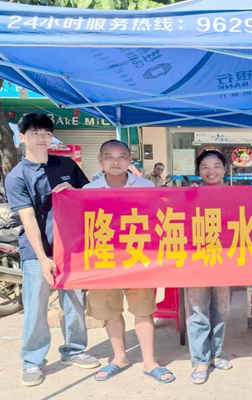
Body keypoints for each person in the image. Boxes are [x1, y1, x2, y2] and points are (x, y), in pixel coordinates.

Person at [4, 113, 100, 387]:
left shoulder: (66, 164)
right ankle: (32, 360)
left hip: (71, 247)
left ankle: (74, 350)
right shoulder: (17, 176)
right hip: (38, 252)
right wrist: (43, 257)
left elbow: (90, 196)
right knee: (36, 306)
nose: (42, 138)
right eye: (35, 133)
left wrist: (74, 190)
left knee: (75, 302)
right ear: (22, 138)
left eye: (46, 133)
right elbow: (28, 220)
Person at [83, 140, 175, 384]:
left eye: (122, 156)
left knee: (143, 310)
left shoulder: (146, 186)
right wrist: (64, 195)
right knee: (110, 311)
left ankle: (149, 361)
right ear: (100, 160)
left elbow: (159, 217)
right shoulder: (88, 190)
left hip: (138, 258)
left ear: (130, 159)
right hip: (104, 260)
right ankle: (119, 357)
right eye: (109, 156)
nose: (116, 161)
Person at [186, 150, 232, 384]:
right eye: (205, 167)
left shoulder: (235, 195)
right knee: (198, 310)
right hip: (195, 261)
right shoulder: (190, 194)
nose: (211, 171)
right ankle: (200, 360)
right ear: (198, 171)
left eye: (216, 166)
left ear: (225, 169)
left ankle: (216, 354)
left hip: (224, 260)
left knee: (222, 309)